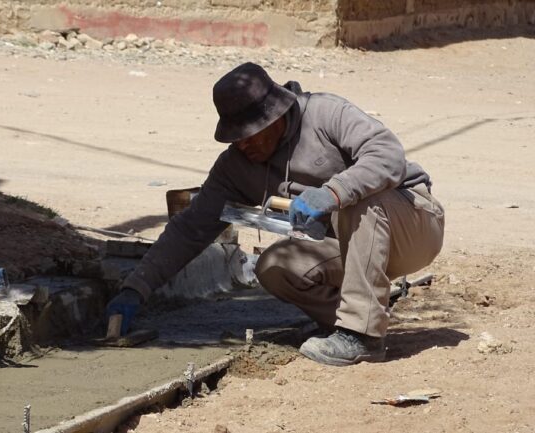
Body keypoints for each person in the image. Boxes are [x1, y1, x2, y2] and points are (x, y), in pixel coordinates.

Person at [106, 62, 445, 366]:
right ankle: (353, 324)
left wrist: (332, 192)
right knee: (275, 266)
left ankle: (364, 338)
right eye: (235, 137)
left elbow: (388, 156)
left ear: (277, 113)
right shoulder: (236, 167)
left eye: (249, 133)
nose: (243, 144)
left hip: (412, 225)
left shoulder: (326, 114)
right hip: (352, 245)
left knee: (357, 199)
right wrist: (136, 288)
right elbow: (190, 228)